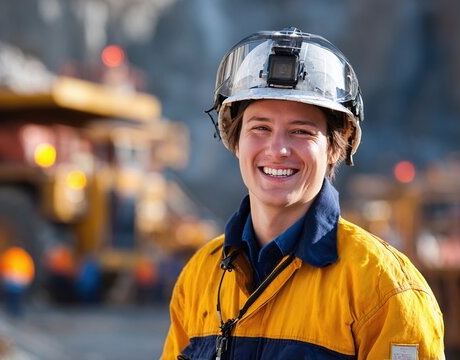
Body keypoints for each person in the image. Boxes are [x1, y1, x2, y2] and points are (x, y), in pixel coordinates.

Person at [162, 27, 444, 360]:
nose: (278, 149)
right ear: (235, 141)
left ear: (335, 148)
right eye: (260, 127)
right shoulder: (201, 276)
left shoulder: (384, 288)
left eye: (301, 131)